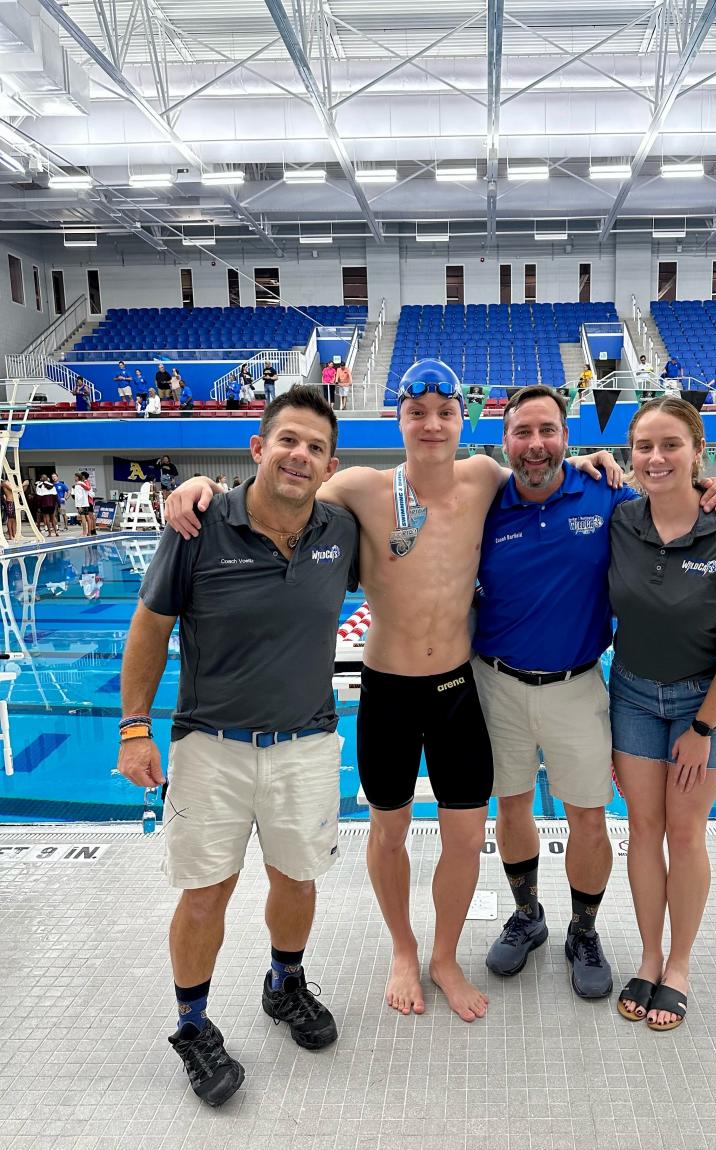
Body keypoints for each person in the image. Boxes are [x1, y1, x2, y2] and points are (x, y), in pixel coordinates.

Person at [163, 360, 627, 1023]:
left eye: (445, 413)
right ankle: (404, 951)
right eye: (417, 413)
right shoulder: (357, 487)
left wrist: (590, 461)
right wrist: (203, 486)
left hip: (459, 689)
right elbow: (275, 496)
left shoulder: (486, 478)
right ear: (398, 420)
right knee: (389, 832)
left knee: (467, 837)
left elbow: (544, 467)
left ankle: (444, 955)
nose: (432, 424)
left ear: (464, 422)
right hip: (387, 690)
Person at [115, 386, 359, 1107]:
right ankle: (193, 1026)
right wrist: (134, 729)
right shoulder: (198, 525)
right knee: (204, 895)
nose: (300, 455)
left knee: (298, 880)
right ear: (258, 448)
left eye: (315, 447)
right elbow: (150, 628)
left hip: (306, 744)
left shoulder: (341, 532)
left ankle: (285, 983)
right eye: (288, 440)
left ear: (328, 464)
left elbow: (422, 524)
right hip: (211, 747)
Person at [472, 387, 716, 998]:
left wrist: (712, 488)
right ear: (504, 439)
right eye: (522, 433)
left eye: (547, 431)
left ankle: (583, 929)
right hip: (497, 682)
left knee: (588, 818)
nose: (535, 445)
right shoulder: (484, 502)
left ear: (567, 437)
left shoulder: (609, 495)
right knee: (510, 807)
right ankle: (528, 914)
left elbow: (671, 495)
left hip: (577, 684)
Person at [608, 397, 716, 1029]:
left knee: (685, 833)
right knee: (642, 829)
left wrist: (703, 728)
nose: (657, 458)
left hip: (704, 702)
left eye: (671, 445)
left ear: (697, 451)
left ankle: (679, 964)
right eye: (644, 447)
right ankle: (649, 956)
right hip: (630, 694)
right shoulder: (621, 520)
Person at [73, 471, 95, 536]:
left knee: (83, 518)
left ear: (77, 477)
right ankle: (89, 532)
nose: (74, 478)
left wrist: (79, 506)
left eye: (75, 477)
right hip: (86, 503)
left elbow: (78, 496)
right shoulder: (85, 484)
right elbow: (89, 490)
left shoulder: (77, 485)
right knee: (88, 517)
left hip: (81, 504)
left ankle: (84, 532)